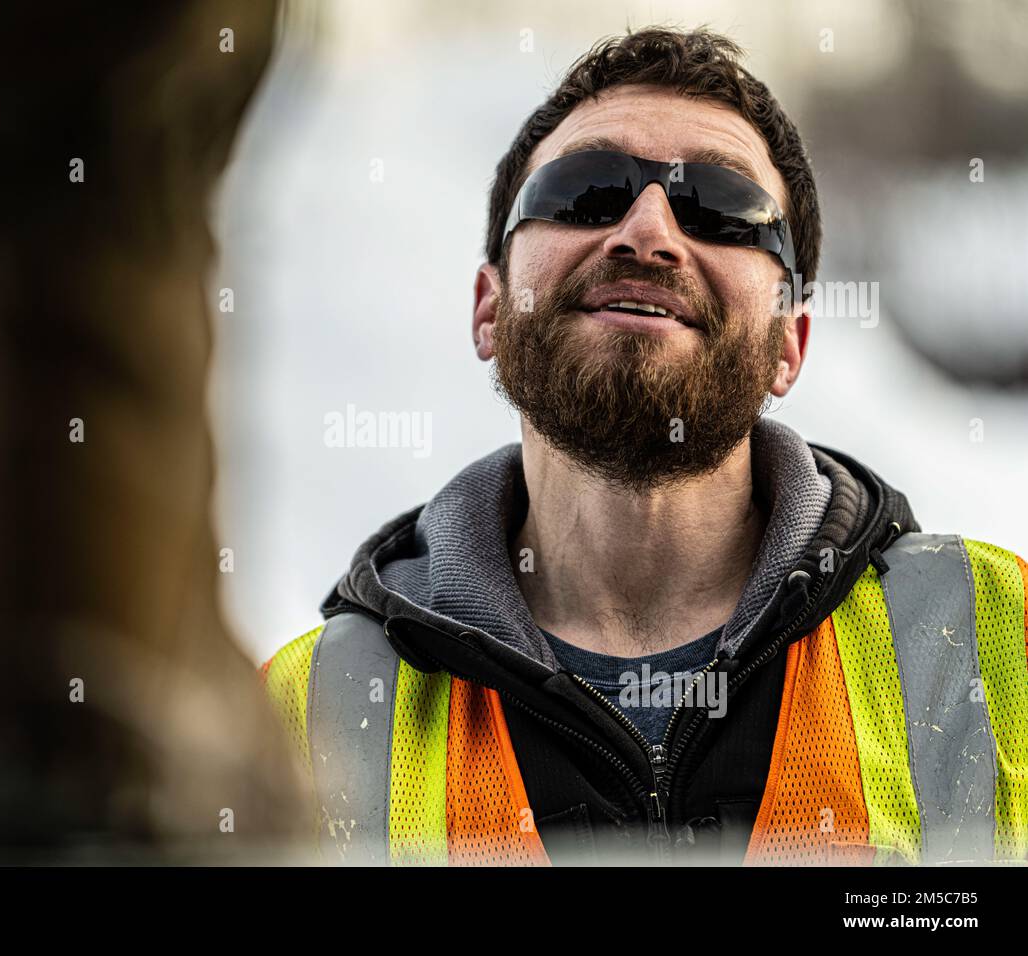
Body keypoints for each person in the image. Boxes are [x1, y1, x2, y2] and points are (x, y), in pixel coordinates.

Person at [261, 26, 1028, 866]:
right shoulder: (302, 712)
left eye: (722, 211)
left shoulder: (1004, 639)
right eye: (588, 191)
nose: (647, 231)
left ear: (791, 345)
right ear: (488, 305)